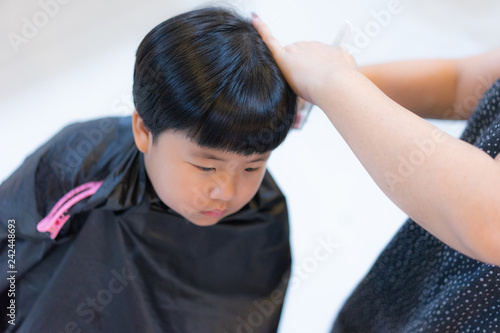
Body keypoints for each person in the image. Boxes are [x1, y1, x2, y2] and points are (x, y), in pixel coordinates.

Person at [0, 8, 297, 332]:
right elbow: (9, 234)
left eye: (253, 166)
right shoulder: (82, 165)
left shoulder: (262, 220)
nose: (226, 191)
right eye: (205, 166)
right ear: (143, 129)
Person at [252, 14, 500, 332]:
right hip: (423, 278)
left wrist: (331, 80)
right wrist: (310, 87)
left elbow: (488, 218)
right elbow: (462, 82)